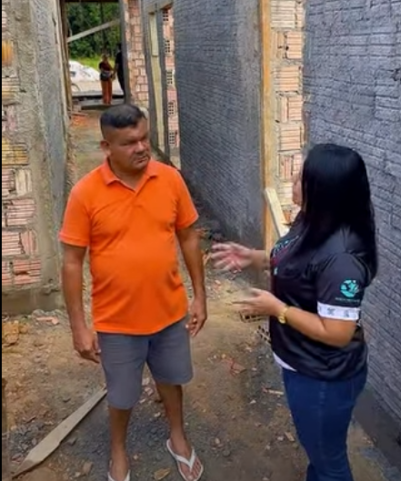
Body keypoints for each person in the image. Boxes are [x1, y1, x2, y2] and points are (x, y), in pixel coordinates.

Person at [212, 144, 378, 481]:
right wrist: (256, 257)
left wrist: (278, 309)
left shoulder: (342, 260)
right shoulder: (311, 221)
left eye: (301, 177)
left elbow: (338, 332)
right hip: (301, 363)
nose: (293, 180)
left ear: (323, 190)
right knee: (317, 450)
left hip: (323, 377)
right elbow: (295, 261)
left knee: (329, 462)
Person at [60, 104, 206, 481]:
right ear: (106, 146)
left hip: (169, 312)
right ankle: (118, 451)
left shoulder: (169, 179)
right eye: (129, 143)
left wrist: (200, 296)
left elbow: (189, 237)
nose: (141, 148)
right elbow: (72, 262)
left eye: (144, 138)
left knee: (171, 380)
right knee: (122, 394)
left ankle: (177, 437)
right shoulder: (85, 193)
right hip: (117, 321)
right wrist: (79, 327)